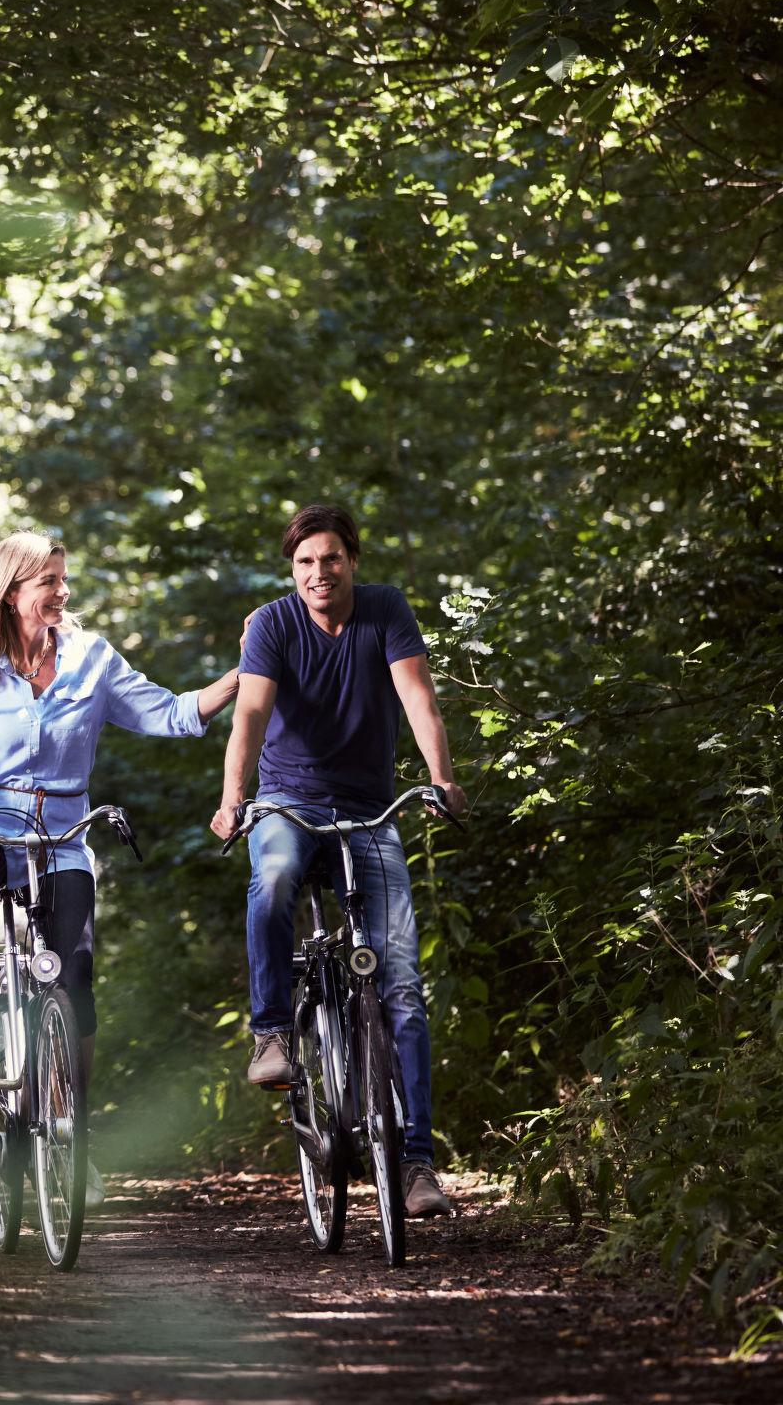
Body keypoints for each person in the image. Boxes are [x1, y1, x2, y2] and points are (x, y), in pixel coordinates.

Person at [0, 531, 239, 1112]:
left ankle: (71, 1123)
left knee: (76, 976)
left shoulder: (93, 660)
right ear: (11, 593)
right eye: (49, 581)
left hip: (60, 837)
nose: (63, 590)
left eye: (63, 578)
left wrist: (245, 672)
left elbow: (173, 713)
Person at [209, 504, 468, 1219]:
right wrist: (236, 799)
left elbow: (417, 696)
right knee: (273, 878)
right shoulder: (272, 625)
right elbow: (251, 717)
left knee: (403, 985)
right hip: (288, 801)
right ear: (291, 571)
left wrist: (441, 780)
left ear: (352, 559)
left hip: (368, 808)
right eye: (304, 564)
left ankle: (416, 1165)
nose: (318, 574)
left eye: (330, 560)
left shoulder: (385, 611)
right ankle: (272, 1034)